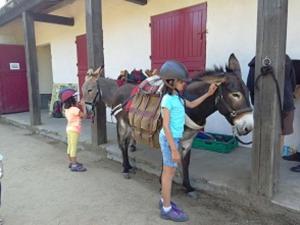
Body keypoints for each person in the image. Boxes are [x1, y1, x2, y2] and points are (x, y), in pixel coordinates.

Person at [158, 60, 217, 222]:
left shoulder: (178, 98)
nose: (184, 84)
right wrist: (175, 149)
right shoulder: (167, 101)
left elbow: (191, 104)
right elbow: (166, 126)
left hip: (174, 139)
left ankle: (165, 200)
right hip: (169, 140)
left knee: (168, 172)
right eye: (181, 81)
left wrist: (208, 94)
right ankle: (166, 209)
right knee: (168, 174)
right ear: (170, 82)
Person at [246, 55, 298, 171]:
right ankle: (274, 164)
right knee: (279, 136)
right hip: (284, 104)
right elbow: (293, 82)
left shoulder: (256, 60)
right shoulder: (286, 59)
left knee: (260, 134)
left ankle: (260, 164)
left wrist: (255, 102)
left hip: (264, 105)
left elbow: (250, 85)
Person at [60, 88, 87, 172]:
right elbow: (84, 116)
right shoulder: (75, 110)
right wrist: (83, 106)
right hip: (75, 130)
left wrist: (77, 106)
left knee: (70, 146)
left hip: (69, 128)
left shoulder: (67, 109)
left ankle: (72, 162)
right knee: (74, 147)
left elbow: (75, 113)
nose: (76, 99)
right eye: (74, 98)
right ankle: (74, 165)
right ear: (72, 100)